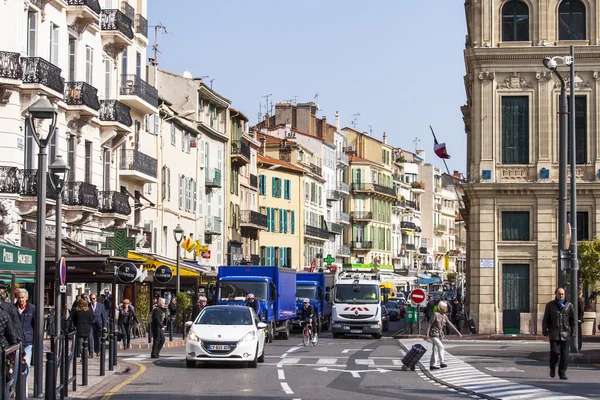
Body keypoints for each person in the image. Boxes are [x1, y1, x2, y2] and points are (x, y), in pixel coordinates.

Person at [542, 287, 576, 380]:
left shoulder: (569, 306)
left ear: (565, 295)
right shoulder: (550, 305)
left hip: (565, 334)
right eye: (559, 294)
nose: (561, 295)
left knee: (565, 355)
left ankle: (562, 373)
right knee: (555, 353)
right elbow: (546, 319)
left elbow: (573, 321)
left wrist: (573, 333)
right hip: (554, 334)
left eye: (562, 294)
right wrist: (545, 330)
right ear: (555, 294)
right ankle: (552, 367)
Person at [426, 300, 462, 370]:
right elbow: (429, 324)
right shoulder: (435, 314)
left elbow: (450, 324)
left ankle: (432, 365)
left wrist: (458, 333)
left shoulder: (444, 316)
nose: (446, 309)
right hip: (433, 334)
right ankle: (442, 362)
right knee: (441, 346)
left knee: (435, 349)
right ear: (441, 308)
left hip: (439, 335)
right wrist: (427, 334)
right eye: (445, 307)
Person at [16, 289, 34, 378]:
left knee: (26, 364)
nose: (21, 300)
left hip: (27, 341)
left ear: (26, 298)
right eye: (19, 297)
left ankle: (23, 384)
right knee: (15, 365)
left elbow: (35, 325)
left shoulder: (32, 309)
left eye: (23, 297)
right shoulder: (13, 308)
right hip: (16, 341)